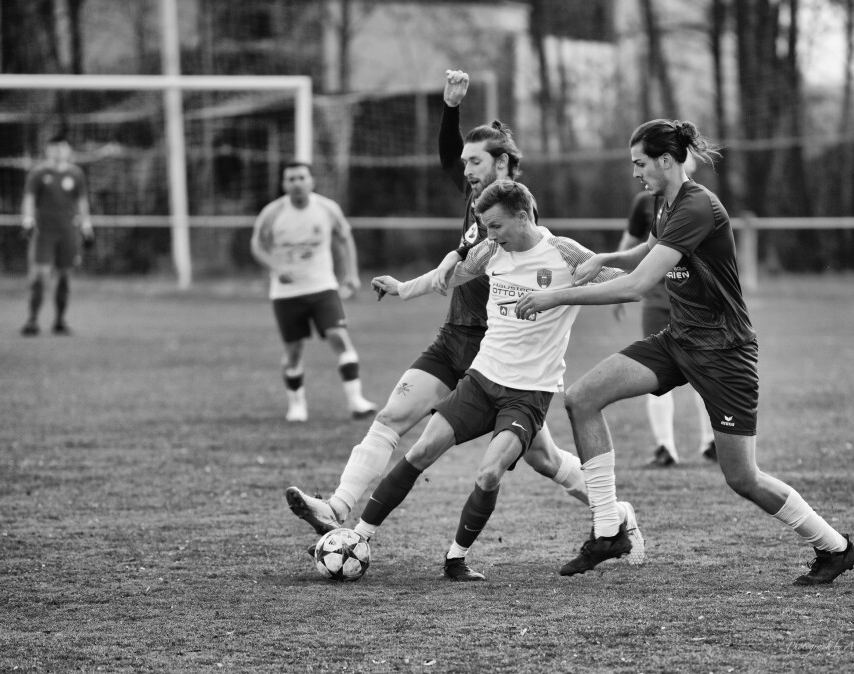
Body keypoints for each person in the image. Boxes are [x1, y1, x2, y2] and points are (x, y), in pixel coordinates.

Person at [285, 70, 643, 567]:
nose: (466, 172)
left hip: (502, 353)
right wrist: (450, 108)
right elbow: (449, 248)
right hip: (456, 337)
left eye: (476, 162)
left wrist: (619, 275)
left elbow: (588, 267)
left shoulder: (517, 218)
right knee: (392, 417)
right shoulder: (478, 204)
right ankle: (340, 508)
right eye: (465, 165)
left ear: (504, 169)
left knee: (543, 459)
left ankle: (615, 514)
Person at [514, 119, 854, 585]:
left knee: (743, 478)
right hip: (678, 341)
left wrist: (555, 297)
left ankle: (834, 547)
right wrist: (604, 258)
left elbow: (638, 287)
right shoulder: (665, 201)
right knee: (582, 398)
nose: (635, 172)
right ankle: (608, 530)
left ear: (664, 160)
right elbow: (652, 249)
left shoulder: (698, 206)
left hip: (724, 353)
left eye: (640, 163)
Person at [351, 180, 635, 581]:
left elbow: (628, 287)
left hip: (528, 394)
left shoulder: (566, 254)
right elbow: (446, 278)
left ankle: (455, 559)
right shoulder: (490, 250)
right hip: (481, 379)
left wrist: (562, 296)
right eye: (485, 226)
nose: (489, 235)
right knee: (420, 452)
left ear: (523, 216)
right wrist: (402, 289)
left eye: (496, 225)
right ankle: (358, 538)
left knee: (488, 473)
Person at [250, 161, 376, 422]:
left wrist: (351, 274)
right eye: (291, 179)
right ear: (284, 184)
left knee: (338, 337)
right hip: (286, 293)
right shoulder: (272, 213)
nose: (297, 183)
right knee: (294, 350)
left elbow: (344, 238)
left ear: (311, 181)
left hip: (322, 287)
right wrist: (276, 267)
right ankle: (297, 405)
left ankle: (356, 401)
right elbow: (257, 246)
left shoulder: (327, 209)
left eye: (301, 177)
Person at [615, 154, 716, 466]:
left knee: (704, 369)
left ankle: (713, 442)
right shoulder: (646, 203)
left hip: (695, 303)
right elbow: (633, 245)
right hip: (658, 301)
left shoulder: (701, 203)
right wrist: (618, 281)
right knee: (656, 375)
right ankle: (665, 447)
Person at [20, 133, 94, 336]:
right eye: (55, 147)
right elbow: (29, 199)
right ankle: (32, 320)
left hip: (68, 232)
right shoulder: (38, 173)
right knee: (40, 275)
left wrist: (87, 227)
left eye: (63, 147)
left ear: (69, 150)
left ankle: (60, 321)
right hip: (44, 233)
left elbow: (82, 203)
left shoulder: (76, 174)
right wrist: (27, 221)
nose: (59, 151)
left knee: (65, 277)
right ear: (48, 150)